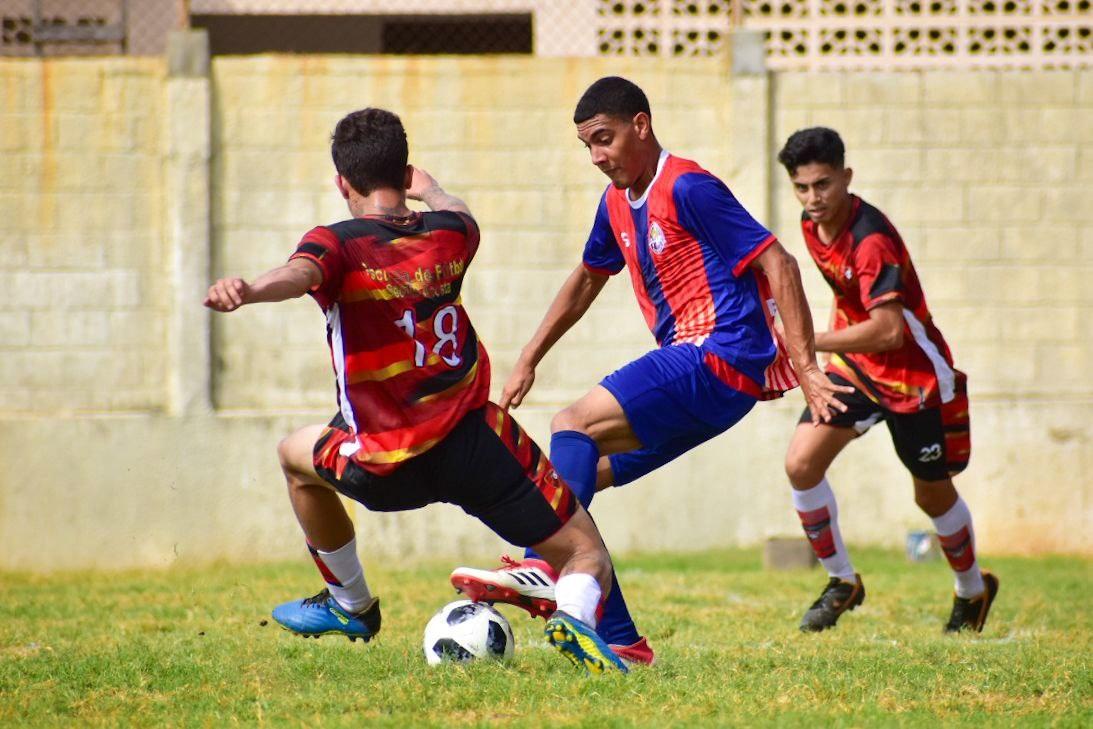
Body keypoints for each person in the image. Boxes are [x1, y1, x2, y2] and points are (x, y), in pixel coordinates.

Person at [203, 107, 628, 674]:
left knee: (292, 456)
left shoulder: (337, 244)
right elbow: (460, 211)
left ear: (342, 184)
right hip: (476, 447)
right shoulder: (452, 234)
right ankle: (573, 617)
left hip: (384, 463)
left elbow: (299, 275)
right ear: (405, 176)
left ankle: (351, 604)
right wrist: (434, 190)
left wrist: (251, 289)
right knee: (585, 555)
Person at [450, 77, 850, 663]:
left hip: (718, 352)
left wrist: (806, 365)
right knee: (575, 484)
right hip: (713, 387)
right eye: (587, 146)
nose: (597, 157)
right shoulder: (615, 203)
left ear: (641, 124)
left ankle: (541, 566)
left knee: (572, 423)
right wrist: (528, 359)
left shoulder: (687, 186)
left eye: (605, 139)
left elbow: (777, 260)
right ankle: (622, 640)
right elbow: (586, 279)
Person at [775, 126, 998, 633]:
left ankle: (973, 591)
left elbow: (890, 330)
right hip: (857, 368)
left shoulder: (870, 238)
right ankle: (842, 582)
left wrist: (806, 343)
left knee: (931, 496)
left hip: (912, 378)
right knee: (801, 463)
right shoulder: (813, 225)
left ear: (846, 178)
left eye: (823, 185)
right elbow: (848, 298)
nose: (813, 198)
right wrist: (824, 359)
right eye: (802, 187)